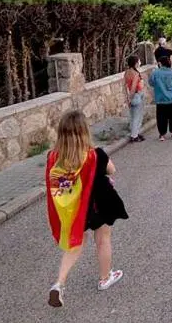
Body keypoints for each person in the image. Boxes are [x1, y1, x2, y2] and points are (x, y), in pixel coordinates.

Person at [46, 111, 128, 307]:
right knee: (103, 240)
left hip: (75, 209)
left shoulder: (54, 158)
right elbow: (112, 169)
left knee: (74, 245)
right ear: (84, 132)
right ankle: (105, 277)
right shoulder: (95, 154)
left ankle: (59, 283)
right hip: (99, 204)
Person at [149, 56, 172, 141]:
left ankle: (162, 134)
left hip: (160, 99)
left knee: (161, 117)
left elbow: (151, 83)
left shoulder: (155, 73)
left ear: (160, 63)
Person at [124, 55, 145, 143]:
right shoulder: (135, 74)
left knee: (133, 116)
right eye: (138, 61)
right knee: (138, 116)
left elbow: (125, 86)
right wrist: (130, 98)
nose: (139, 63)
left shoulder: (126, 72)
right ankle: (134, 136)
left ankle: (135, 133)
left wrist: (127, 98)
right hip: (136, 95)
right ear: (135, 63)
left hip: (132, 96)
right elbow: (133, 88)